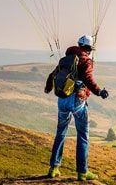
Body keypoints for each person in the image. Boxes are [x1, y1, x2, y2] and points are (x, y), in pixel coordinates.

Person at [44, 35, 109, 181]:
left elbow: (53, 74)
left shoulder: (68, 58)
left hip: (62, 99)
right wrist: (99, 91)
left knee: (60, 133)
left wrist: (48, 87)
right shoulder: (86, 60)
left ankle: (54, 168)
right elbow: (88, 78)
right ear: (89, 49)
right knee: (83, 135)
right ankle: (82, 172)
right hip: (77, 100)